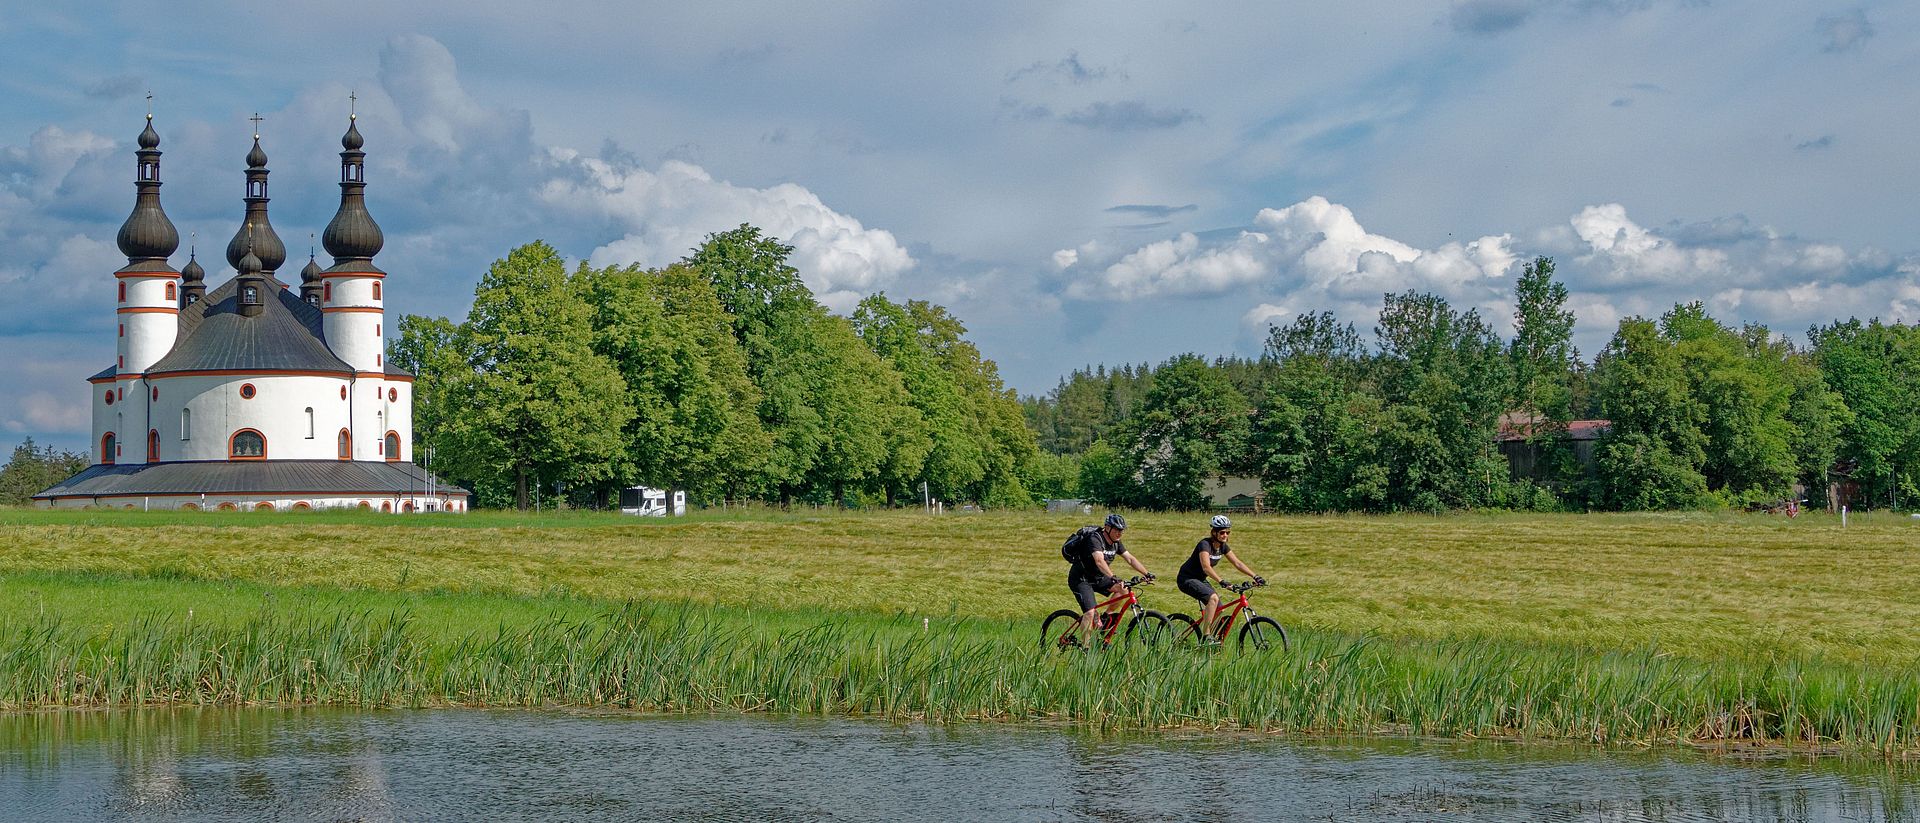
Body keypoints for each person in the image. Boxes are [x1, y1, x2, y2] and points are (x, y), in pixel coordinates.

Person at [1064, 513, 1154, 641]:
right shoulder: (1095, 539)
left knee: (1123, 589)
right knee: (1090, 613)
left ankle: (1106, 618)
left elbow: (1130, 558)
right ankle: (1086, 650)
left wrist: (1146, 573)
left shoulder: (1116, 542)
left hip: (1098, 578)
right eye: (1117, 529)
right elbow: (1099, 561)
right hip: (1081, 579)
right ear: (1107, 527)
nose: (1120, 533)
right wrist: (1113, 576)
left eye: (1122, 530)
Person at [1177, 515, 1264, 643]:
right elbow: (1206, 567)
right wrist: (1221, 581)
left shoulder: (1223, 546)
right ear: (1214, 532)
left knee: (1219, 608)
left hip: (1200, 579)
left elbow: (1237, 563)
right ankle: (1206, 636)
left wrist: (1255, 576)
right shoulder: (1204, 544)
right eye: (1222, 532)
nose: (1225, 535)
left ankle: (1206, 642)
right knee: (1213, 598)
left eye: (1227, 532)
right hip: (1187, 579)